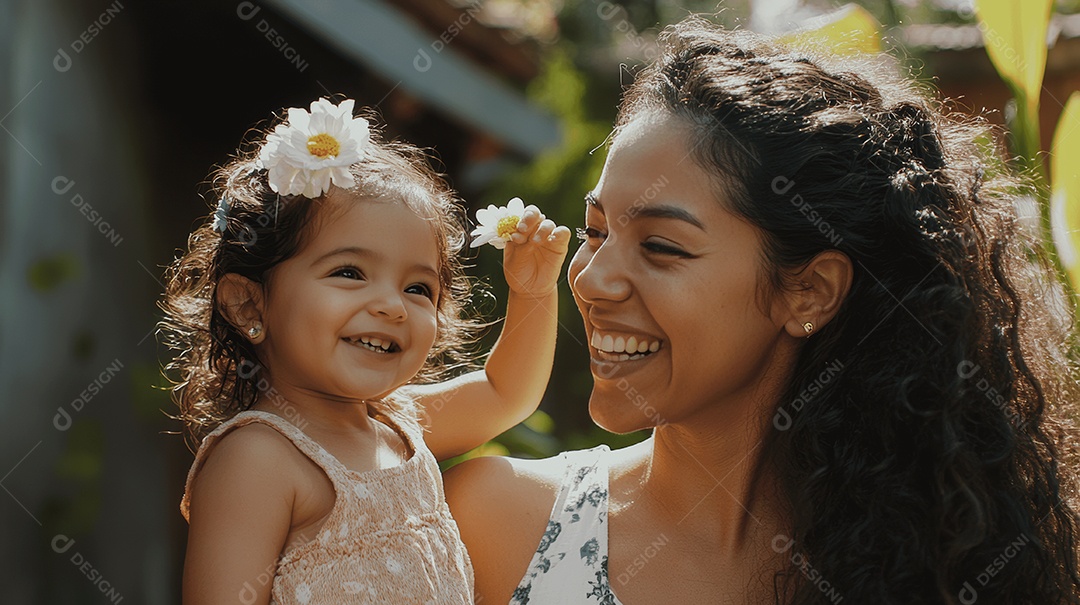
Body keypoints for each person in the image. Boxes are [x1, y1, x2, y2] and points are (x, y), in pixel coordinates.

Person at [444, 17, 1080, 604]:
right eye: (596, 231)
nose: (591, 279)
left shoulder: (942, 566)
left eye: (661, 247)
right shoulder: (492, 524)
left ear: (809, 292)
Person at [159, 97, 571, 604]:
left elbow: (505, 392)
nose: (392, 307)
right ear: (249, 305)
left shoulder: (401, 425)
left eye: (419, 288)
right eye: (349, 273)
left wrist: (532, 293)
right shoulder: (259, 458)